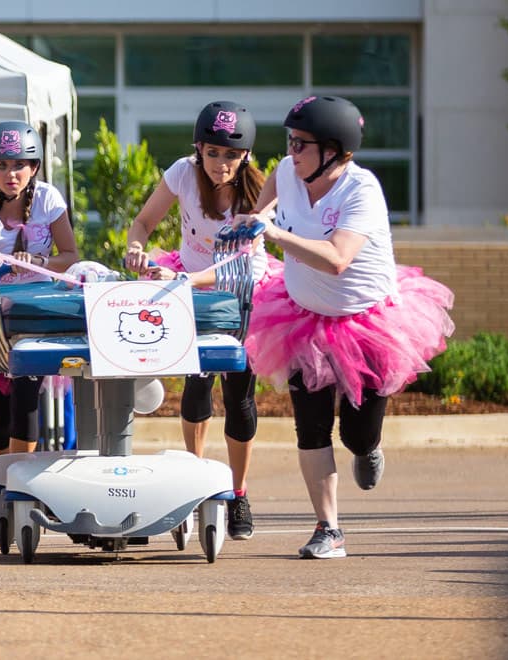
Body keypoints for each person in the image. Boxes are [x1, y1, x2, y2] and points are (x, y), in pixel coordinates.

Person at [237, 96, 453, 559]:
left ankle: (368, 445)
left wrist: (273, 234)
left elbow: (337, 259)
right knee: (310, 427)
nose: (291, 152)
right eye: (289, 141)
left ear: (334, 150)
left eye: (301, 144)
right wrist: (255, 218)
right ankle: (328, 528)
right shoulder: (287, 174)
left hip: (366, 321)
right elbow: (267, 196)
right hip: (299, 316)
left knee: (355, 432)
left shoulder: (361, 190)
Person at [123, 101, 275, 541]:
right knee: (195, 387)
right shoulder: (182, 174)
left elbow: (240, 265)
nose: (220, 164)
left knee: (239, 394)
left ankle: (238, 493)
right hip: (188, 287)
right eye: (212, 153)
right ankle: (196, 486)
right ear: (198, 150)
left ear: (244, 155)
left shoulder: (256, 193)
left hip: (241, 294)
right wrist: (138, 249)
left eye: (230, 155)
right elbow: (144, 221)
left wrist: (185, 278)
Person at [0, 121, 77, 459]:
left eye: (19, 164)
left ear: (34, 168)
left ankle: (20, 483)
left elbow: (71, 257)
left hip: (35, 316)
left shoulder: (48, 198)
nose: (10, 173)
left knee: (25, 403)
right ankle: (3, 487)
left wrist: (36, 262)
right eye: (2, 164)